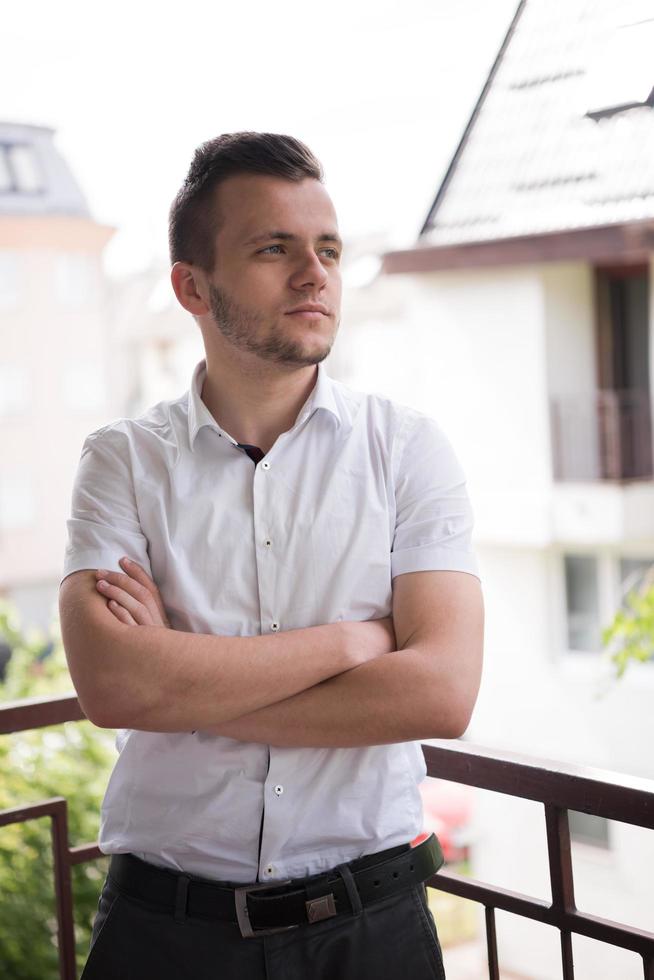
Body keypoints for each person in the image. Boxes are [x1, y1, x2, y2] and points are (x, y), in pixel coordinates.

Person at [59, 131, 484, 980]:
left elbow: (441, 691)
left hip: (374, 932)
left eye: (326, 248)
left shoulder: (407, 450)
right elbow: (112, 686)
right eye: (272, 249)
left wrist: (177, 685)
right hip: (164, 936)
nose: (315, 273)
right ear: (191, 286)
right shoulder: (122, 461)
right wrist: (351, 645)